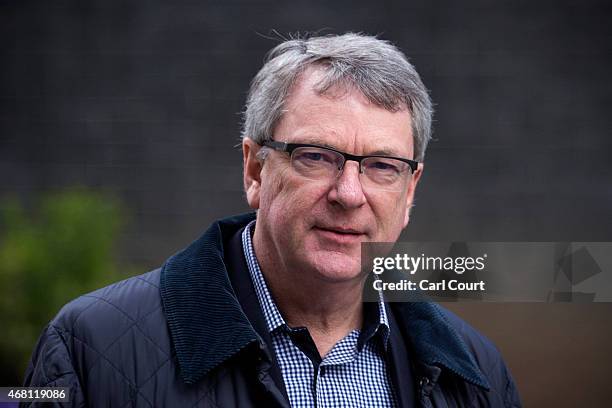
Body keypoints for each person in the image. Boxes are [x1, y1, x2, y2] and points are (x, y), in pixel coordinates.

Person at [23, 33, 521, 407]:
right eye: (316, 156)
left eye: (382, 166)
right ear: (256, 169)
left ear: (409, 191)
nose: (349, 194)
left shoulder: (479, 372)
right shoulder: (87, 345)